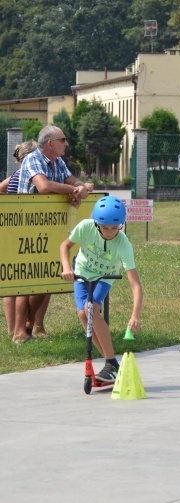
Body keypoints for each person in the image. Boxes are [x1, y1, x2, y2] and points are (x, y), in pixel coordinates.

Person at [12, 126, 90, 343]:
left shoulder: (58, 162)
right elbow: (44, 186)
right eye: (62, 140)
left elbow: (73, 181)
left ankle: (32, 325)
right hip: (27, 229)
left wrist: (80, 188)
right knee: (27, 278)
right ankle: (20, 331)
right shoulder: (33, 160)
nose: (66, 144)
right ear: (50, 144)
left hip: (50, 229)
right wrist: (73, 191)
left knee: (47, 277)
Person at [59, 196, 143, 383]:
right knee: (83, 315)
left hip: (105, 277)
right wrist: (66, 268)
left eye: (115, 228)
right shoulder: (85, 227)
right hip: (82, 272)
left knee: (91, 308)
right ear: (97, 223)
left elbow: (136, 285)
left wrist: (135, 315)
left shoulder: (123, 244)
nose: (110, 232)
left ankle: (110, 363)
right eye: (105, 227)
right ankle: (111, 362)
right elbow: (65, 246)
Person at [2, 141, 39, 337]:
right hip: (25, 231)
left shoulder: (14, 176)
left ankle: (11, 330)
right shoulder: (31, 176)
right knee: (25, 283)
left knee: (12, 282)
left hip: (11, 231)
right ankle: (23, 327)